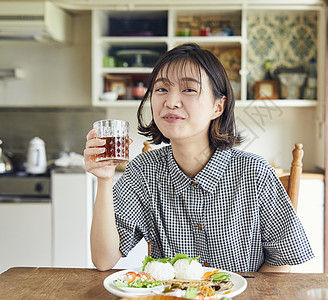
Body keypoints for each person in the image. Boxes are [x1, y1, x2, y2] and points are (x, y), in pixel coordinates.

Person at [84, 43, 313, 272]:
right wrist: (104, 180)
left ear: (218, 107)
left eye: (189, 90)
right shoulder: (144, 171)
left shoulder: (254, 172)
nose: (171, 102)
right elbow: (104, 260)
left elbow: (281, 262)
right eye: (161, 89)